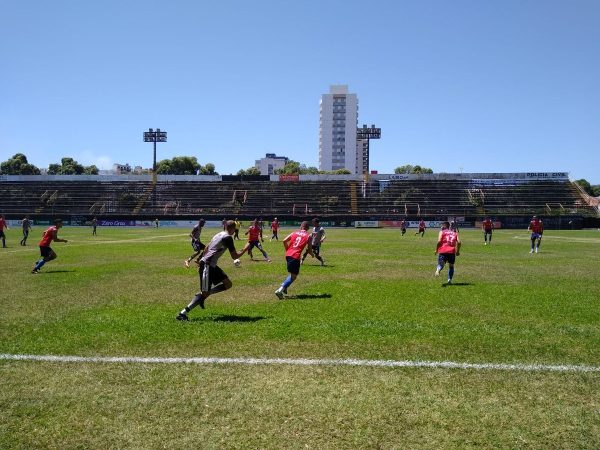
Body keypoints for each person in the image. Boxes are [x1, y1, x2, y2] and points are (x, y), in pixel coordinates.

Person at [176, 220, 250, 320]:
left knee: (228, 284)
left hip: (211, 265)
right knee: (204, 294)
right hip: (207, 265)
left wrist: (199, 259)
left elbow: (207, 247)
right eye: (235, 230)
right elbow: (234, 256)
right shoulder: (228, 238)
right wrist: (245, 248)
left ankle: (204, 295)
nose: (235, 232)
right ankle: (182, 314)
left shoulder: (219, 234)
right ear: (232, 228)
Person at [275, 221, 313, 299]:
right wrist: (312, 254)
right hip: (295, 256)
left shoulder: (294, 233)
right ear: (308, 228)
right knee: (293, 276)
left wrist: (287, 250)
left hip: (288, 255)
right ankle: (280, 290)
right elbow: (309, 249)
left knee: (292, 274)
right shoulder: (308, 236)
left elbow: (284, 240)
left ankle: (284, 287)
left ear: (301, 226)